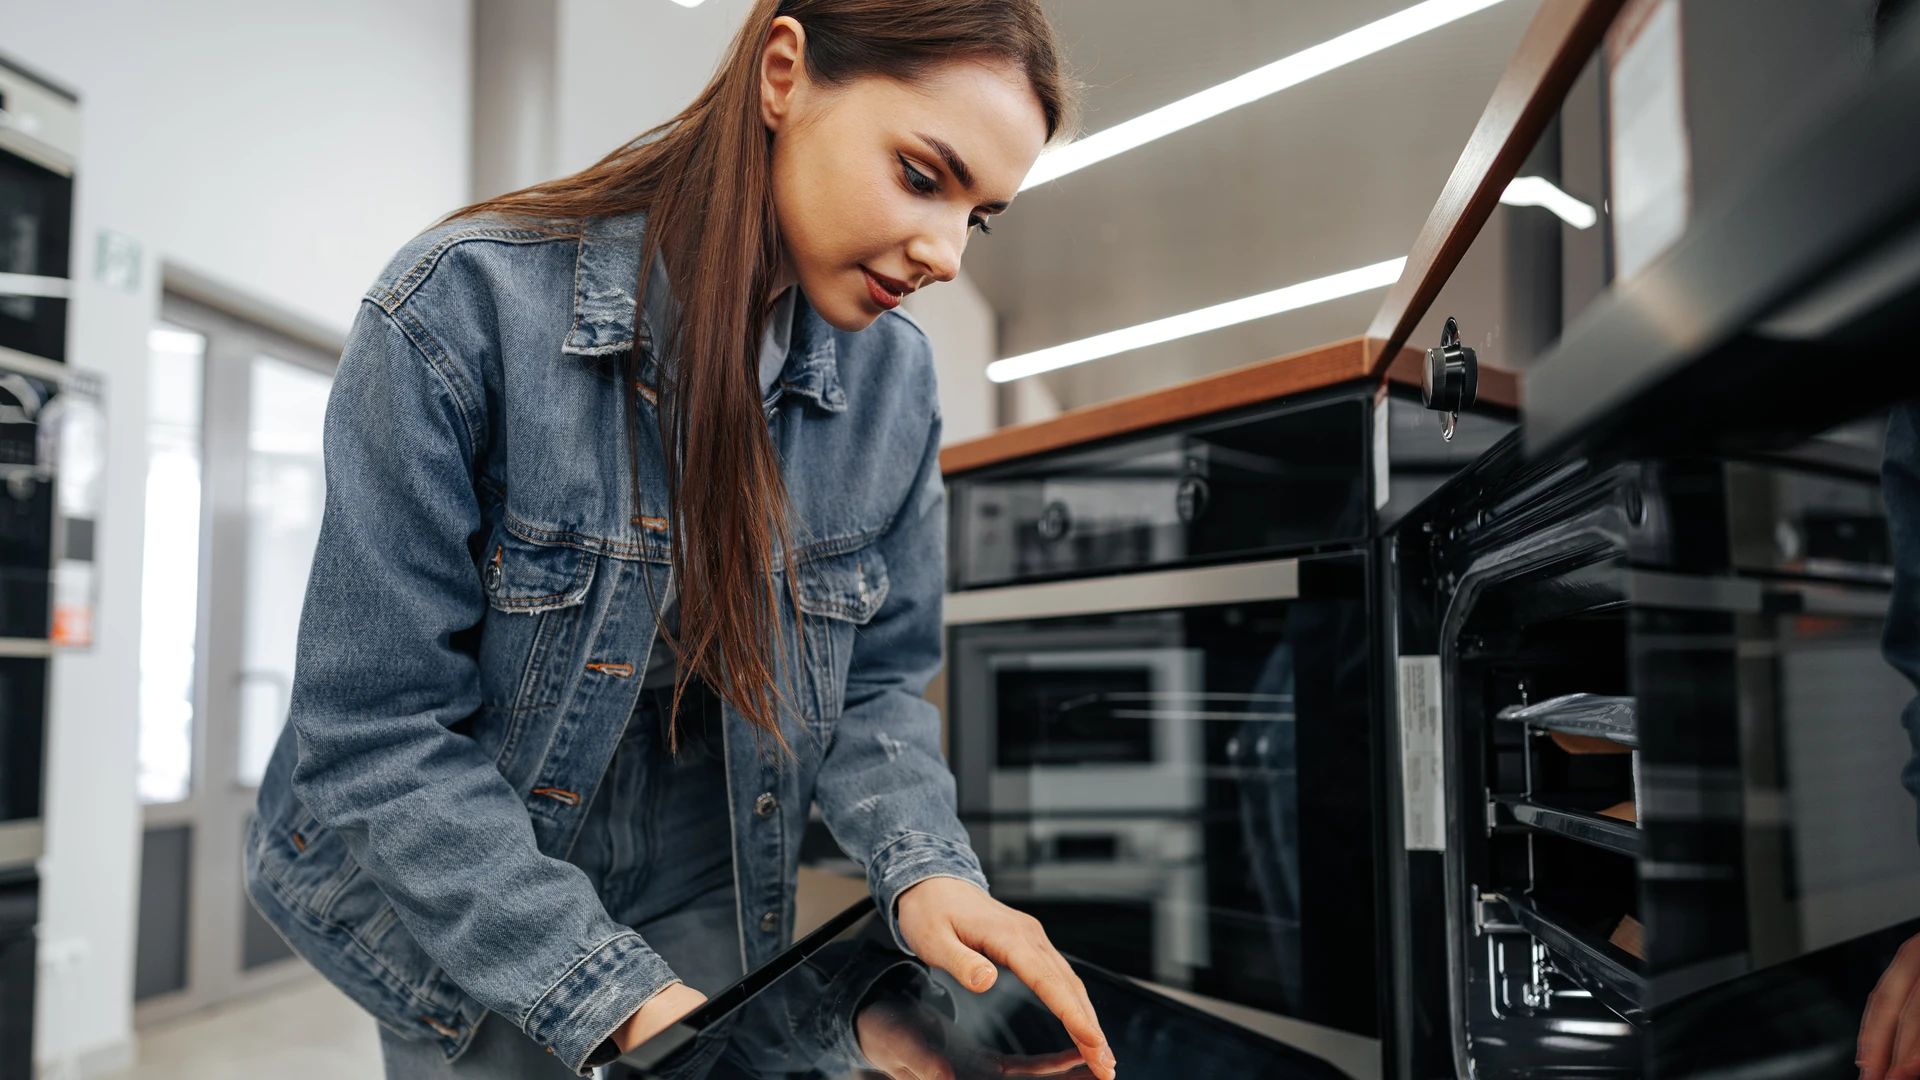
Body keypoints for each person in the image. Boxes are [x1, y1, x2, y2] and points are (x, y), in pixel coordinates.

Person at [241, 3, 1118, 1077]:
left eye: (978, 216)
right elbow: (376, 733)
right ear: (784, 73)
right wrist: (621, 999)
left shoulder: (896, 382)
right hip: (471, 849)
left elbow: (877, 684)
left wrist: (930, 869)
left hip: (705, 832)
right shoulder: (460, 307)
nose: (943, 253)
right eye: (923, 176)